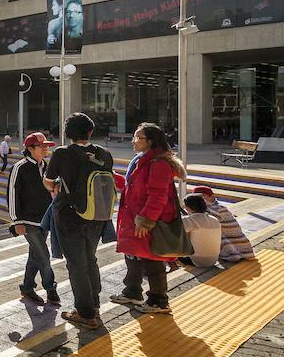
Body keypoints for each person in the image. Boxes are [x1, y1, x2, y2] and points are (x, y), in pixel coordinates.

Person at [44, 112, 115, 329]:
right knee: (90, 258)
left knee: (76, 264)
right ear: (90, 131)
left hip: (70, 215)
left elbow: (48, 182)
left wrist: (57, 185)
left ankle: (85, 313)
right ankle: (94, 304)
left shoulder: (62, 153)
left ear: (67, 133)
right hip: (97, 215)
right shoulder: (104, 153)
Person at [110, 123, 184, 315]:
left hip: (146, 221)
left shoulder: (158, 164)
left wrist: (146, 220)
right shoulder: (142, 160)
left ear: (150, 141)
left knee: (153, 260)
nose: (134, 141)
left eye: (138, 137)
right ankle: (133, 291)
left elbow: (157, 195)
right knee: (134, 256)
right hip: (133, 218)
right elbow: (132, 186)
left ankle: (159, 301)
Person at [7, 132, 60, 306]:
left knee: (35, 255)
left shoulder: (47, 166)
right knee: (43, 254)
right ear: (30, 149)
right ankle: (50, 288)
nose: (45, 149)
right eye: (41, 146)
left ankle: (27, 286)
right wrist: (17, 221)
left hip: (44, 220)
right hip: (27, 222)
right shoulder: (19, 167)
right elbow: (12, 194)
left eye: (46, 146)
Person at [190, 186, 255, 262]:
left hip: (234, 249)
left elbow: (199, 220)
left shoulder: (216, 209)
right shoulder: (216, 206)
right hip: (244, 249)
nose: (199, 200)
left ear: (212, 196)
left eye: (202, 197)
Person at [180, 194, 222, 268]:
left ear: (188, 207)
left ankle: (173, 267)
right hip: (213, 259)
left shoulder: (188, 220)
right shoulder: (214, 219)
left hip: (198, 260)